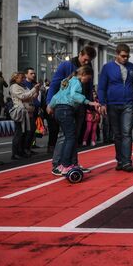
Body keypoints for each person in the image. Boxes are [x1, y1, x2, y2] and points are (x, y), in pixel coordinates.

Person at [98, 43, 133, 172]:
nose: (125, 59)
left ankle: (127, 162)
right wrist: (102, 103)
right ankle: (120, 160)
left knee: (127, 133)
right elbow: (101, 87)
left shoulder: (131, 66)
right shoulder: (107, 68)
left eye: (127, 56)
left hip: (128, 103)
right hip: (112, 104)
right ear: (116, 54)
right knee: (117, 134)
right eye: (123, 56)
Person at [46, 45, 97, 174]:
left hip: (79, 106)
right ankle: (57, 164)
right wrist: (49, 103)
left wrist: (91, 108)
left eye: (89, 61)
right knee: (65, 136)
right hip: (66, 106)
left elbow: (89, 89)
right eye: (85, 59)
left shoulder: (88, 68)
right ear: (80, 54)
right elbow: (55, 85)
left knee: (74, 137)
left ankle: (73, 163)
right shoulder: (66, 65)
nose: (86, 62)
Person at [9, 72, 40, 159]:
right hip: (21, 112)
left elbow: (32, 96)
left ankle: (22, 151)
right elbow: (23, 96)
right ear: (15, 78)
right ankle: (15, 153)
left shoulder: (23, 86)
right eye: (21, 78)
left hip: (28, 112)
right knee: (19, 133)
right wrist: (34, 89)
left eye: (23, 77)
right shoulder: (14, 86)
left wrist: (36, 90)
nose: (22, 79)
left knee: (26, 133)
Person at [24, 67, 41, 154]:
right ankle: (25, 149)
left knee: (33, 129)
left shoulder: (34, 83)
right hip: (27, 109)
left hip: (35, 108)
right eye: (31, 73)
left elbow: (37, 96)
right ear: (26, 75)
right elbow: (27, 96)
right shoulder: (24, 84)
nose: (33, 75)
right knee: (29, 129)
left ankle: (29, 148)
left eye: (34, 73)